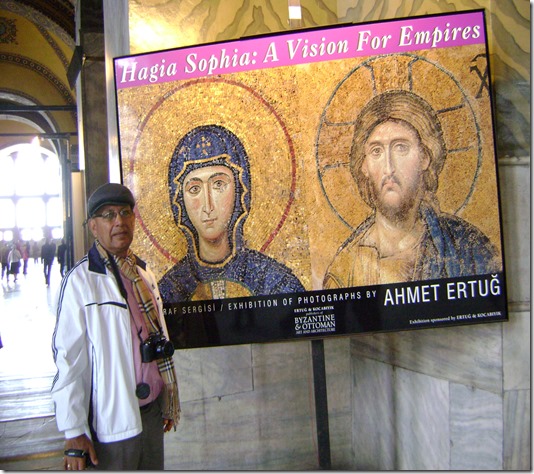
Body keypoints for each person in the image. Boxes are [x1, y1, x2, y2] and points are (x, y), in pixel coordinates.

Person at [51, 183, 180, 470]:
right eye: (108, 215)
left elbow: (159, 337)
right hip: (112, 417)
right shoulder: (81, 281)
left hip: (152, 409)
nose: (119, 221)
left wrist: (167, 398)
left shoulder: (144, 273)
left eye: (124, 212)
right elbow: (70, 360)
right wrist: (73, 430)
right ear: (93, 226)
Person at [323, 90, 501, 289]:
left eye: (401, 148)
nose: (388, 168)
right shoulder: (344, 269)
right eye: (376, 151)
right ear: (364, 166)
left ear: (425, 157)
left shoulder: (467, 248)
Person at [159, 124, 305, 302]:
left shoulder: (276, 283)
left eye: (218, 184)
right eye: (194, 189)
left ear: (241, 191)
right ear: (179, 201)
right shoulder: (170, 290)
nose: (208, 205)